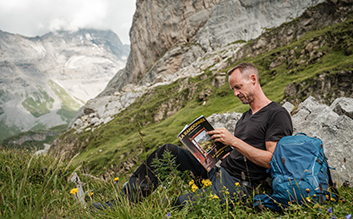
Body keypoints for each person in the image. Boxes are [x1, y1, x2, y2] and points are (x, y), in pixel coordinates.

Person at [93, 63, 293, 209]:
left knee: (175, 205)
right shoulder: (245, 117)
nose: (235, 93)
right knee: (168, 151)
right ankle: (120, 204)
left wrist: (232, 141)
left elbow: (271, 160)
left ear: (253, 80)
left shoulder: (276, 114)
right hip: (220, 171)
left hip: (241, 186)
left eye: (238, 87)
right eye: (232, 89)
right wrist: (217, 152)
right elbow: (241, 153)